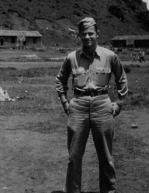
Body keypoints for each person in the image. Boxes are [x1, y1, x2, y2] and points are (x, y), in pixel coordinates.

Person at [55, 17, 128, 193]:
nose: (87, 37)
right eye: (83, 34)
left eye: (90, 33)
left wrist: (119, 103)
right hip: (78, 106)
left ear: (97, 34)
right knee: (74, 156)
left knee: (106, 156)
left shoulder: (110, 56)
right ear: (79, 36)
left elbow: (122, 79)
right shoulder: (72, 58)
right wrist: (65, 103)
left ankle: (108, 191)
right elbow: (60, 80)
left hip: (102, 104)